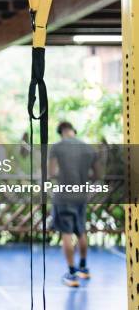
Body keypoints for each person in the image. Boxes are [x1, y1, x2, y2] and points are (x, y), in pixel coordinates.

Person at [49, 121, 98, 288]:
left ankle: (71, 273)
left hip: (64, 195)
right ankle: (84, 268)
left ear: (61, 131)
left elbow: (51, 172)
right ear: (73, 130)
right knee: (81, 230)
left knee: (66, 233)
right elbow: (97, 174)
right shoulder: (88, 148)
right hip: (81, 195)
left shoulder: (57, 147)